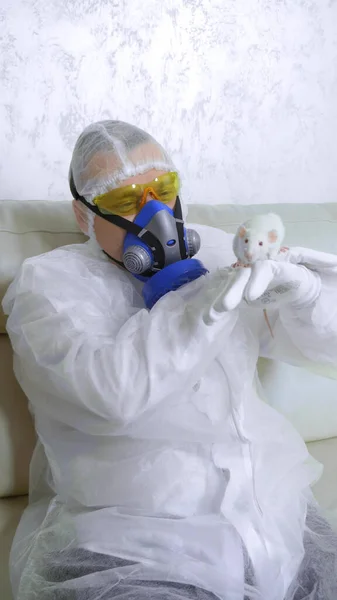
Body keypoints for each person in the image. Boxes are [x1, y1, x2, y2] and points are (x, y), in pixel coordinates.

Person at [3, 120, 337, 600]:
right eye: (124, 201)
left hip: (275, 516)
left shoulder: (225, 247)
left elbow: (323, 348)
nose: (155, 213)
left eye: (163, 189)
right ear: (84, 216)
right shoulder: (49, 287)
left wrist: (307, 297)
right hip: (132, 545)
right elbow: (114, 394)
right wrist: (198, 300)